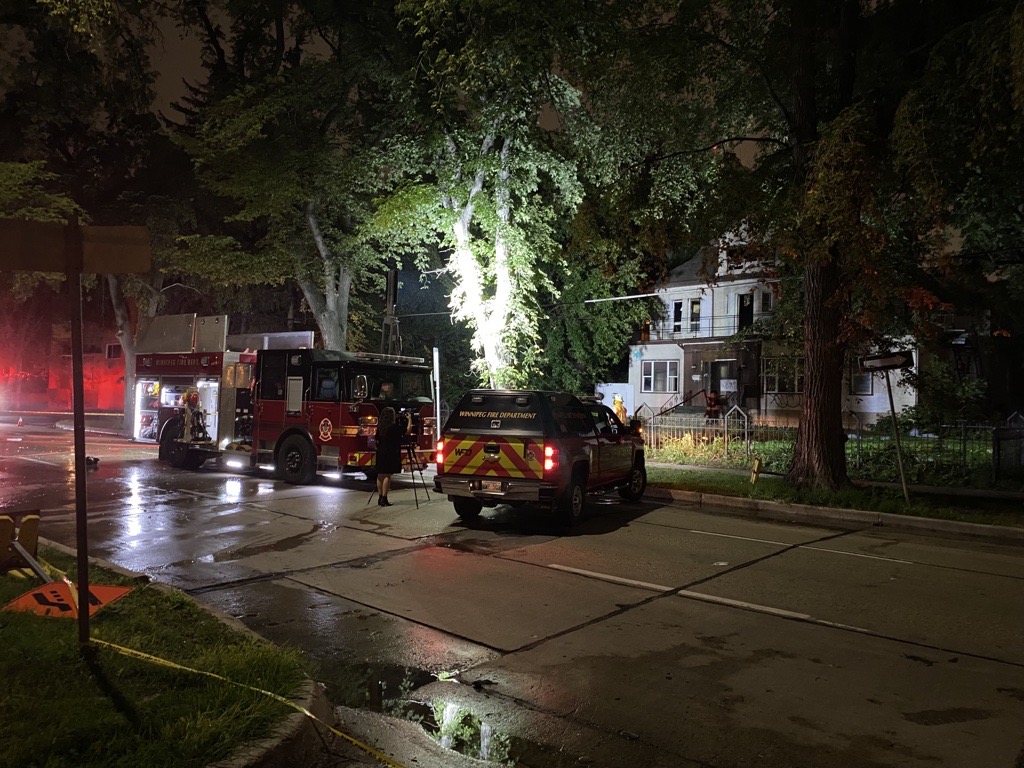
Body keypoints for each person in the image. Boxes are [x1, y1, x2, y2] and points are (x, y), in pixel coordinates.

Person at [374, 407, 404, 506]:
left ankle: (379, 497)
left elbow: (376, 438)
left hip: (380, 451)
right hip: (390, 452)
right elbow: (406, 432)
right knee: (387, 475)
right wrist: (409, 420)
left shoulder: (380, 426)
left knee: (380, 474)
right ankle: (384, 498)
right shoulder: (393, 427)